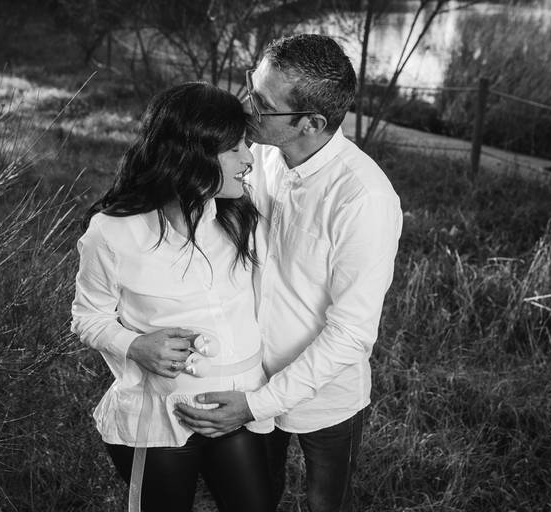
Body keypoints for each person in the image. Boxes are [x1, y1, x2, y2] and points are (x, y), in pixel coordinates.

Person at [175, 34, 403, 512]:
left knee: (326, 504)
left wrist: (258, 403)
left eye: (262, 103)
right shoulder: (255, 158)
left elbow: (351, 334)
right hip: (248, 374)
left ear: (311, 123)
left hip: (325, 396)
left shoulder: (364, 199)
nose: (246, 106)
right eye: (250, 86)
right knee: (257, 498)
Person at [70, 82, 274, 512]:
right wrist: (135, 346)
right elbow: (88, 317)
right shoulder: (113, 232)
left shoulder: (240, 217)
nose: (249, 159)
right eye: (234, 148)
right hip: (159, 415)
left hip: (236, 408)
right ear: (192, 155)